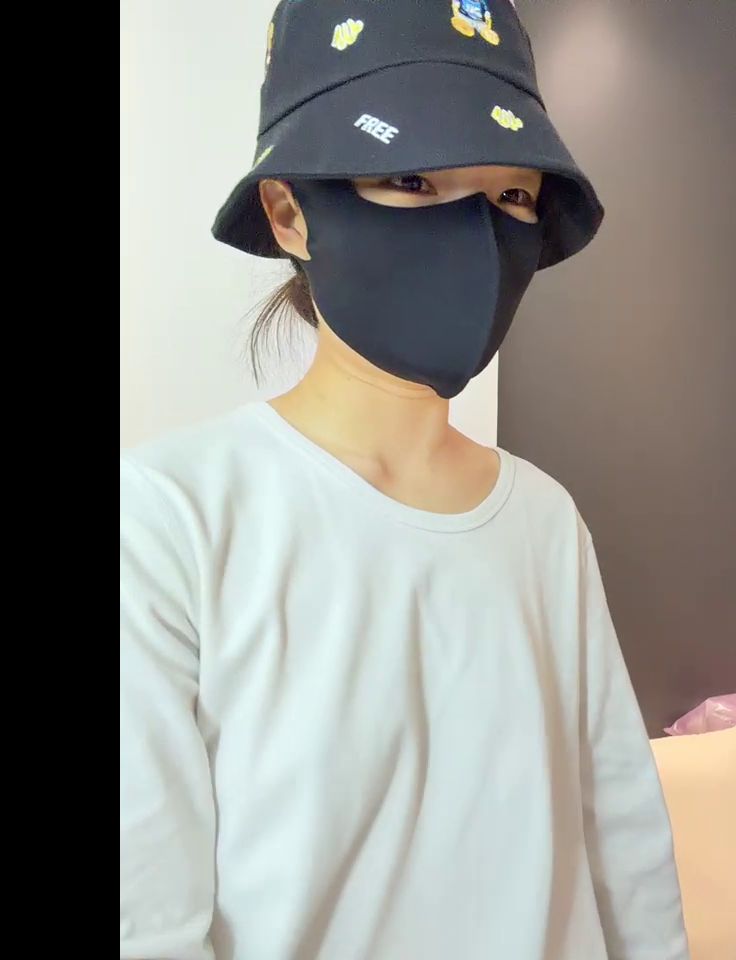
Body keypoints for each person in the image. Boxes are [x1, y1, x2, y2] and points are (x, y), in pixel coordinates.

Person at [119, 2, 690, 958]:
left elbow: (623, 837)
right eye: (412, 179)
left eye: (512, 196)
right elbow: (149, 917)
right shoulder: (168, 517)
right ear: (290, 212)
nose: (476, 234)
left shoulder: (544, 520)